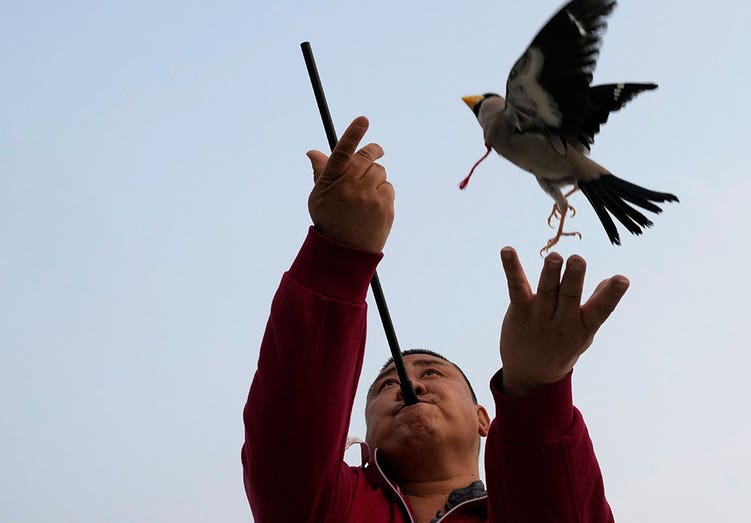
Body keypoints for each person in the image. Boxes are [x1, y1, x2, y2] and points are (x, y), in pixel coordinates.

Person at [242, 116, 631, 522]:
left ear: (483, 418)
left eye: (431, 373)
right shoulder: (325, 505)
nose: (410, 385)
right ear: (365, 433)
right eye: (386, 385)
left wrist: (537, 390)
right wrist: (337, 253)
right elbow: (289, 438)